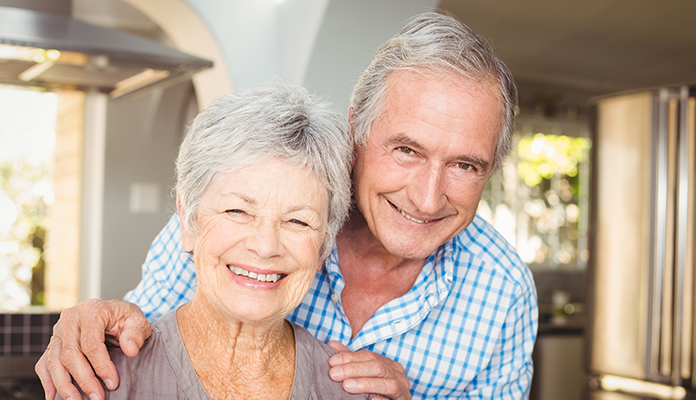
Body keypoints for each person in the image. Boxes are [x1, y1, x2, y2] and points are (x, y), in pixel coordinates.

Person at [37, 11, 538, 400]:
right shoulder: (226, 220)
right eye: (406, 150)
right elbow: (142, 344)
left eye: (465, 165)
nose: (428, 198)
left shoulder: (503, 289)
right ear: (355, 132)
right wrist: (89, 327)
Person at [56, 83, 371, 399]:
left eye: (297, 221)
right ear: (188, 220)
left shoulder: (355, 394)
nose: (265, 246)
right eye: (238, 210)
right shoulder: (99, 380)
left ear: (323, 247)